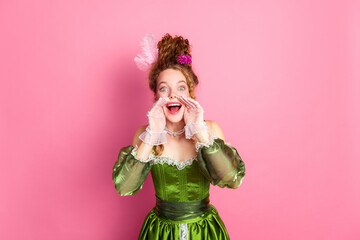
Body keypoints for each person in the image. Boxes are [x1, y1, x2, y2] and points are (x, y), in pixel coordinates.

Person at [112, 33, 246, 240]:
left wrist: (200, 133)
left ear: (190, 94)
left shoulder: (209, 130)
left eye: (180, 88)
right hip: (160, 233)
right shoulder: (144, 135)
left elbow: (232, 179)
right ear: (156, 97)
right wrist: (152, 134)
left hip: (203, 232)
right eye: (164, 89)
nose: (172, 95)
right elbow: (125, 187)